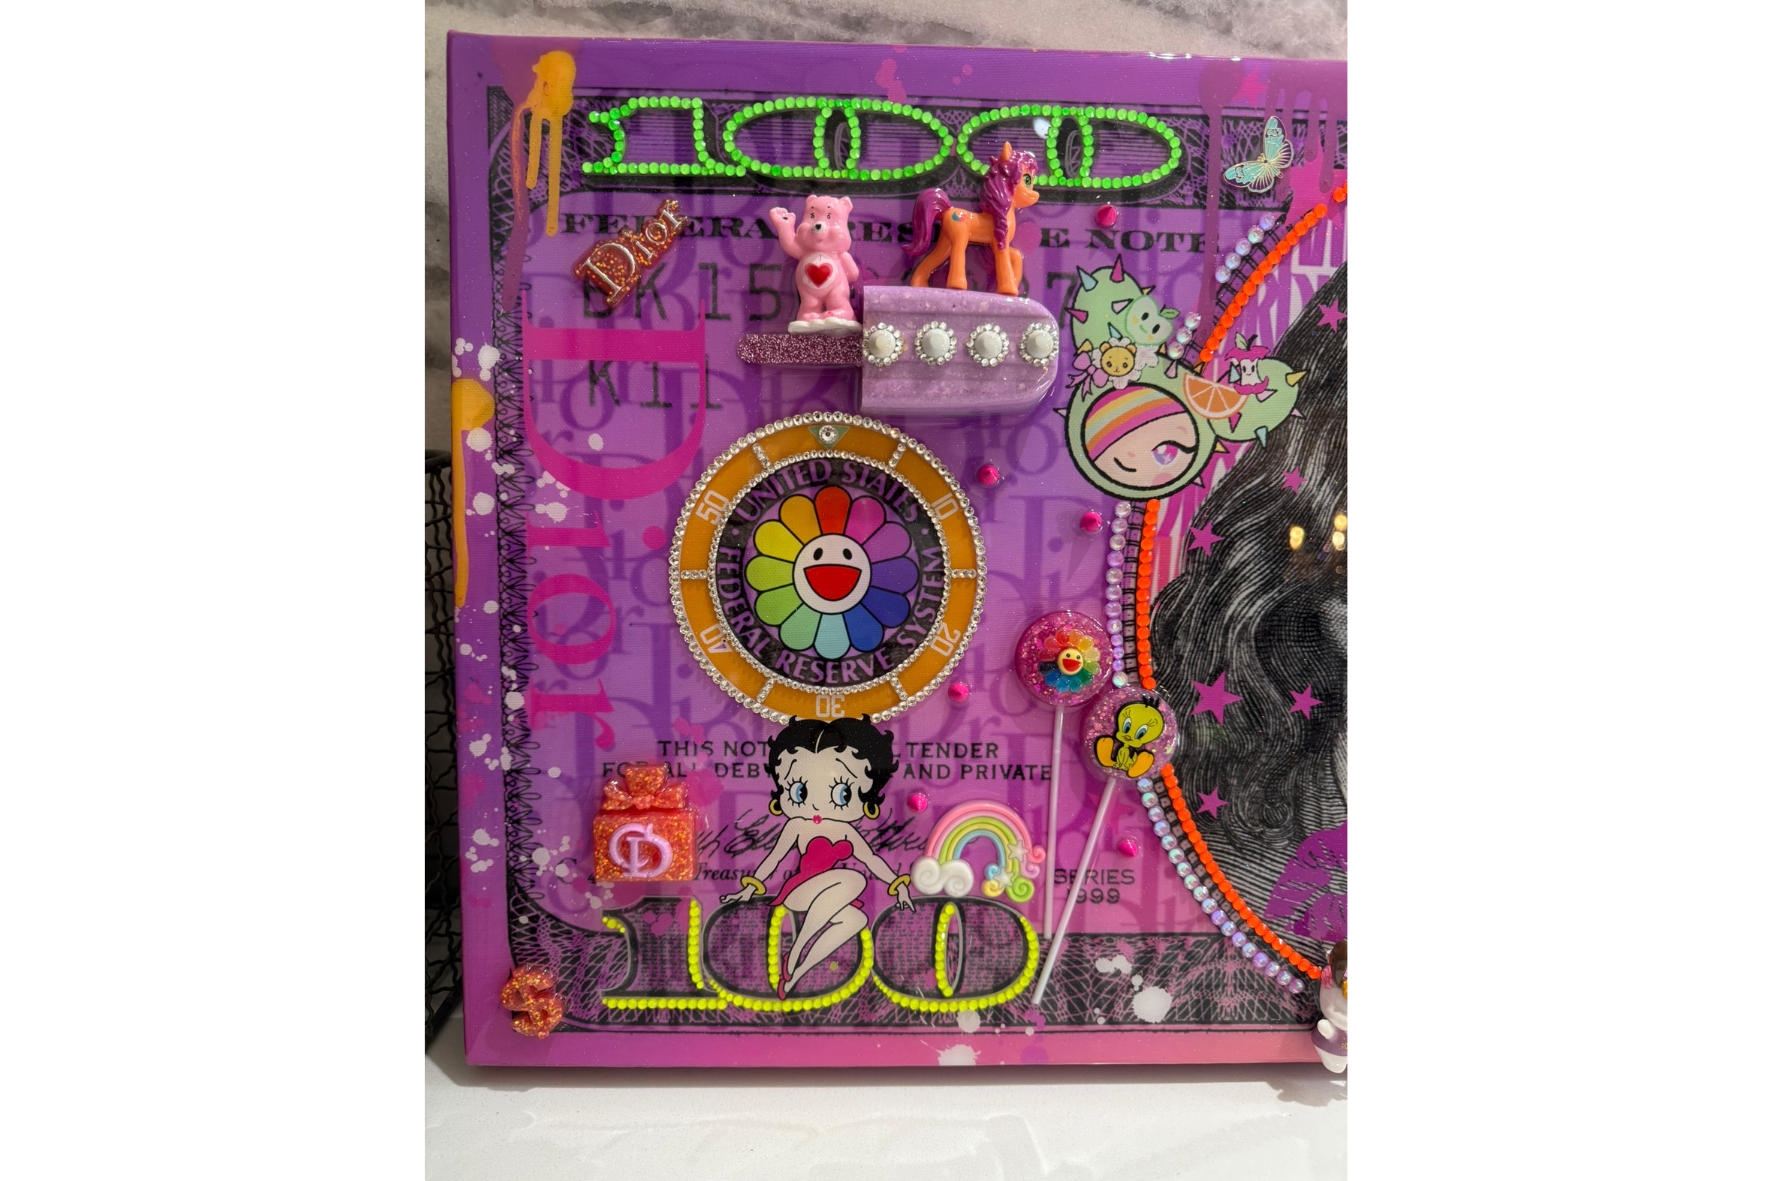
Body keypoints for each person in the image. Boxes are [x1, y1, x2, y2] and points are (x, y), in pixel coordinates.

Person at [721, 715, 914, 996]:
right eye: (799, 790)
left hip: (828, 896)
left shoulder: (846, 831)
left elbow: (871, 859)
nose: (814, 804)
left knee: (856, 920)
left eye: (842, 793)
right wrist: (748, 889)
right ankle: (797, 947)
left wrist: (899, 886)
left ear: (867, 796)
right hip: (799, 892)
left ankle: (796, 973)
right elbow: (774, 859)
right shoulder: (796, 825)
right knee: (855, 880)